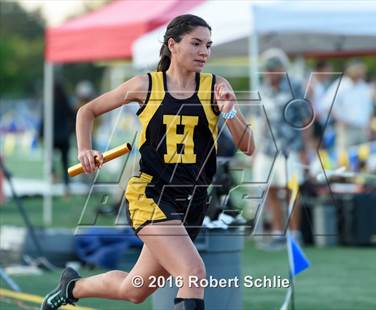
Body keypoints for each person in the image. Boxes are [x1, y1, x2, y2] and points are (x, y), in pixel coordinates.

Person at [41, 14, 254, 310]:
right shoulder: (146, 85)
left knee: (135, 289)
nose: (204, 51)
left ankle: (72, 287)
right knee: (193, 273)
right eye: (195, 43)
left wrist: (230, 111)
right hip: (150, 196)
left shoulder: (216, 87)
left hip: (191, 202)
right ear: (172, 44)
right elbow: (87, 111)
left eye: (208, 44)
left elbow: (248, 146)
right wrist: (84, 150)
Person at [253, 49, 309, 250]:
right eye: (267, 70)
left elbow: (305, 120)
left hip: (290, 147)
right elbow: (259, 121)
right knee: (271, 189)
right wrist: (255, 149)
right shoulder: (262, 89)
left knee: (292, 189)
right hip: (268, 148)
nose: (269, 73)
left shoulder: (295, 87)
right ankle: (278, 231)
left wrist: (306, 149)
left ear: (281, 69)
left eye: (273, 69)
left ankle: (294, 233)